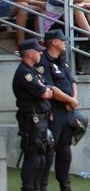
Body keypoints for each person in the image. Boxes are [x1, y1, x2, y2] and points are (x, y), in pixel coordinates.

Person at [41, 29, 81, 191]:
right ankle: (42, 185)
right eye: (62, 40)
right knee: (49, 149)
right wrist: (70, 100)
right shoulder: (44, 61)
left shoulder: (62, 60)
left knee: (65, 149)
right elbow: (50, 88)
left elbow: (72, 82)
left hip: (67, 111)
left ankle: (65, 185)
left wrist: (74, 101)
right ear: (54, 42)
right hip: (54, 111)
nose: (65, 43)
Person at [14, 38, 54, 191]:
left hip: (41, 117)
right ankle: (29, 187)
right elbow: (45, 92)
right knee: (34, 156)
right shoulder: (25, 73)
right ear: (29, 53)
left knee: (45, 155)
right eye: (37, 50)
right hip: (31, 119)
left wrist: (47, 91)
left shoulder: (33, 71)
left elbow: (48, 88)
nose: (40, 53)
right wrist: (47, 91)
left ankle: (38, 187)